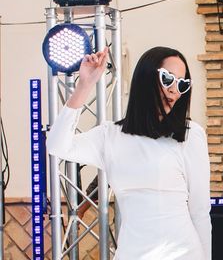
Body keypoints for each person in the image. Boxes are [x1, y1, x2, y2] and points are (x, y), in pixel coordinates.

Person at [47, 46, 211, 260]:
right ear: (146, 77)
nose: (174, 90)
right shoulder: (111, 136)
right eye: (167, 78)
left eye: (182, 84)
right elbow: (57, 146)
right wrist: (84, 86)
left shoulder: (190, 135)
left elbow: (199, 211)